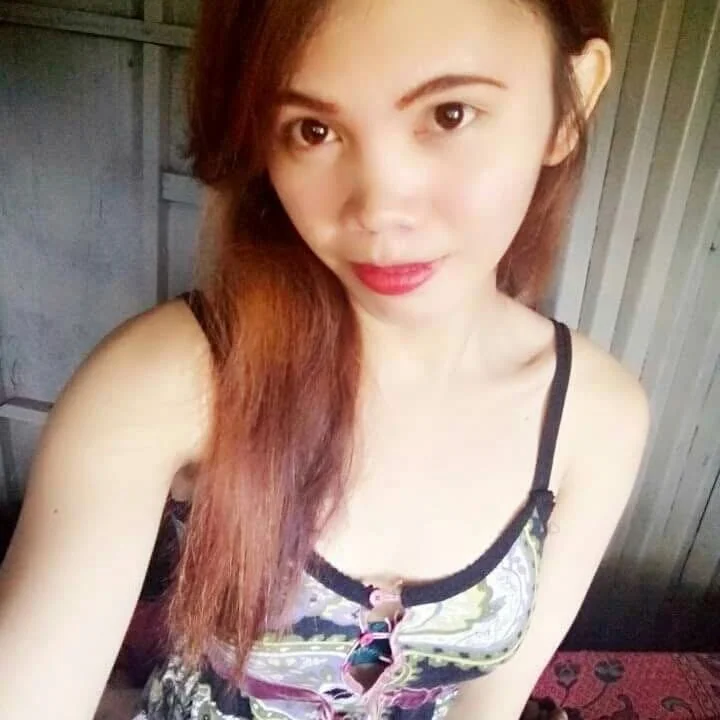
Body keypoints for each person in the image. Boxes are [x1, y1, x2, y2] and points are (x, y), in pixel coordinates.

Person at [0, 0, 651, 718]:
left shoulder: (595, 419)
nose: (379, 210)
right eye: (313, 130)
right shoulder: (167, 382)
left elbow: (489, 707)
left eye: (450, 115)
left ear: (570, 98)